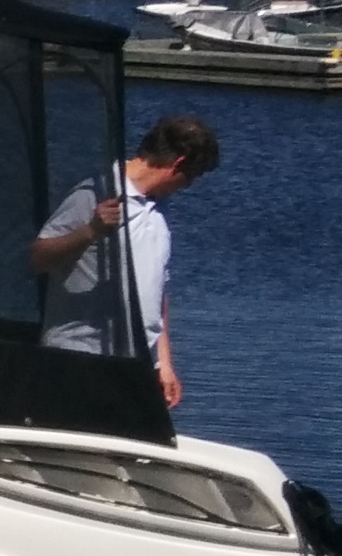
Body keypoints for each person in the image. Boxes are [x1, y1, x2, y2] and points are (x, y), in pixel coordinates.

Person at [29, 112, 221, 409]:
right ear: (178, 164)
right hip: (78, 358)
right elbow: (38, 258)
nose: (186, 187)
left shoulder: (158, 207)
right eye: (191, 178)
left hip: (133, 363)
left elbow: (157, 287)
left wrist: (163, 362)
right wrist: (90, 231)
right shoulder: (95, 193)